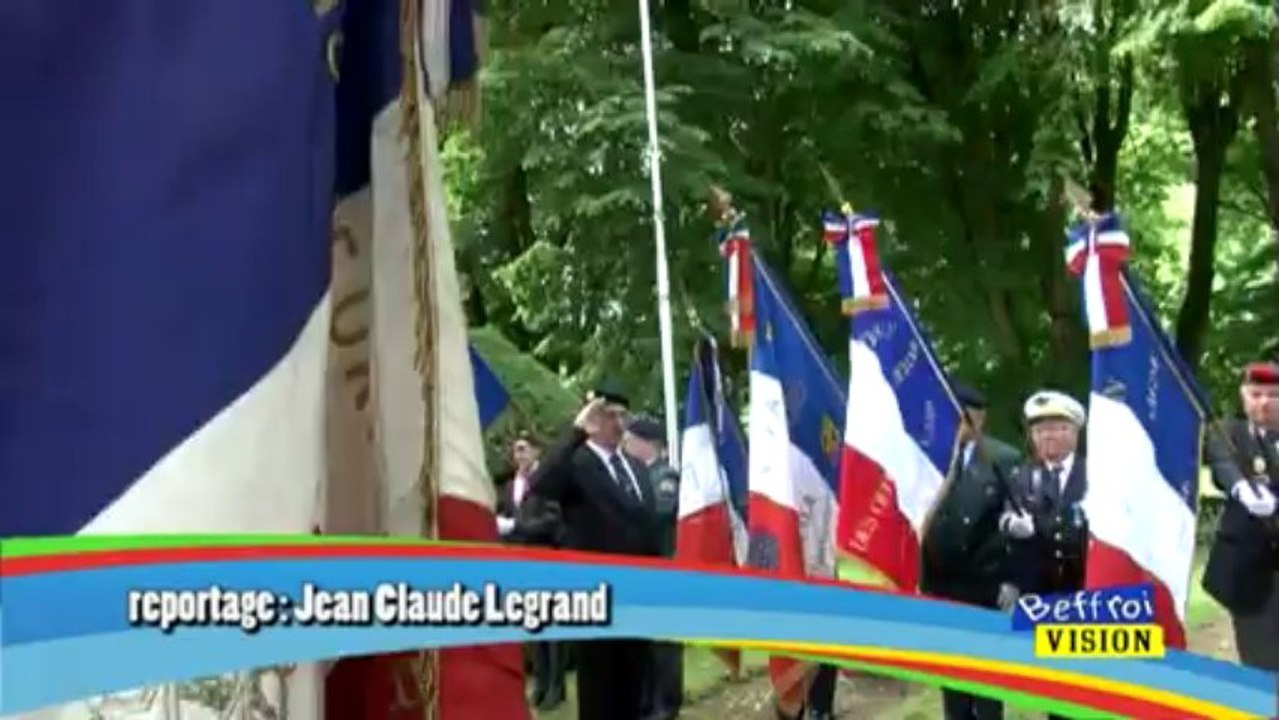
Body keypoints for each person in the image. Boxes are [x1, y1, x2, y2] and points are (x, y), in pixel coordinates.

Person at [523, 386, 661, 720]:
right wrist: (577, 431)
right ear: (594, 419)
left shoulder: (635, 467)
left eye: (623, 415)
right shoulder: (577, 464)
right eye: (610, 415)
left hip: (637, 595)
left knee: (635, 689)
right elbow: (541, 484)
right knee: (600, 692)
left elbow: (647, 524)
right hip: (597, 595)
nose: (618, 423)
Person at [921, 384, 1021, 720]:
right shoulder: (927, 459)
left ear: (981, 419)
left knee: (987, 684)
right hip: (942, 587)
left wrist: (1012, 580)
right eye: (953, 417)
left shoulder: (1003, 459)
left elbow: (1018, 525)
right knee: (953, 683)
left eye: (966, 418)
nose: (960, 425)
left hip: (984, 587)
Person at [1000, 390, 1087, 720]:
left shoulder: (1096, 474)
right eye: (1040, 430)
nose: (1048, 436)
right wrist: (1011, 524)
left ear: (1075, 432)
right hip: (1042, 592)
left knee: (1090, 681)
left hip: (1086, 589)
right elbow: (1005, 516)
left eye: (1057, 428)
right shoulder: (1023, 476)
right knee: (1056, 684)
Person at [1202, 361, 1279, 677]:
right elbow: (1222, 461)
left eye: (1273, 395)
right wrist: (1242, 489)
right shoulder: (1229, 433)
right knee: (1261, 664)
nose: (1264, 402)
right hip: (1248, 573)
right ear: (1243, 396)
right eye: (1256, 394)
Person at [496, 432, 567, 711]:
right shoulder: (511, 486)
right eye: (516, 450)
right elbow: (505, 516)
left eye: (524, 449)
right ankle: (540, 682)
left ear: (537, 451)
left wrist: (517, 527)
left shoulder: (547, 481)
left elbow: (553, 520)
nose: (519, 455)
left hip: (546, 557)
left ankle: (556, 687)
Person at [623, 415, 684, 720]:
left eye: (630, 440)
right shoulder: (634, 477)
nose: (625, 445)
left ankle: (667, 704)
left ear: (648, 443)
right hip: (642, 571)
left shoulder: (665, 476)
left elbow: (660, 512)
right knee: (644, 644)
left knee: (665, 644)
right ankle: (647, 702)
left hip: (664, 568)